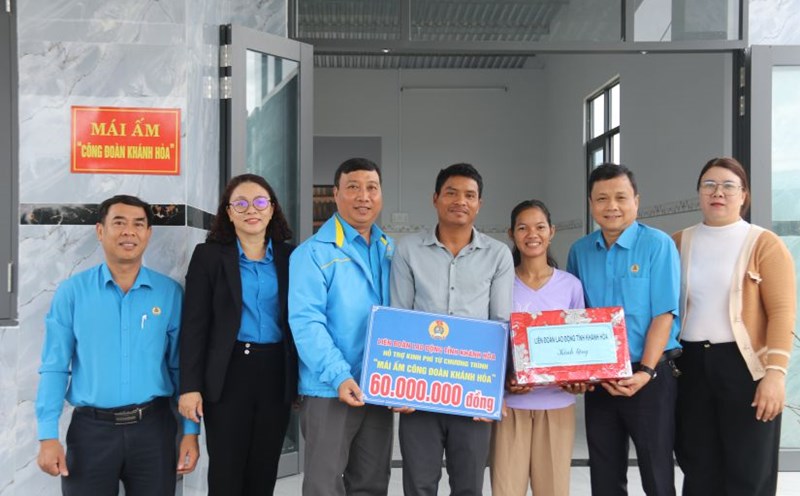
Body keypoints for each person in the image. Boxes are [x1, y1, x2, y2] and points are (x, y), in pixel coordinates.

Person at [35, 195, 199, 496]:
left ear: (148, 234)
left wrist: (190, 432)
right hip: (90, 433)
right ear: (100, 231)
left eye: (139, 224)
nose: (129, 232)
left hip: (154, 429)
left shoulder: (169, 294)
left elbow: (180, 367)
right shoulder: (72, 293)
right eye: (119, 223)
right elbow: (55, 367)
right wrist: (47, 436)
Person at [672, 157, 796, 496]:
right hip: (690, 365)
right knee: (698, 465)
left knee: (749, 468)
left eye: (729, 186)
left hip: (745, 367)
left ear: (744, 195)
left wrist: (775, 375)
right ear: (699, 193)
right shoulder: (679, 242)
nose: (718, 193)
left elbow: (782, 312)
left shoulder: (764, 243)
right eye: (709, 185)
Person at [391, 163, 514, 496]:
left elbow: (501, 323)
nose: (460, 201)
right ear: (435, 199)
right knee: (418, 485)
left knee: (469, 486)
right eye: (451, 193)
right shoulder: (407, 250)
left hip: (473, 392)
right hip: (419, 391)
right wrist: (398, 388)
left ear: (479, 204)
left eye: (470, 195)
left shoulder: (498, 255)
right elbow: (400, 317)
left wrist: (494, 392)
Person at [565, 163, 681, 496]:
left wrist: (645, 370)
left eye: (620, 197)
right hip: (602, 378)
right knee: (604, 471)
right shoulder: (580, 251)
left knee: (656, 472)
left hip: (650, 374)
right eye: (602, 198)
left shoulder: (657, 245)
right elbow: (577, 316)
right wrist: (584, 372)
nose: (611, 206)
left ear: (636, 201)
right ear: (591, 204)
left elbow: (664, 314)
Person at [178, 174, 297, 495]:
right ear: (228, 213)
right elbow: (194, 326)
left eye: (260, 202)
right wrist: (190, 387)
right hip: (228, 373)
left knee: (263, 468)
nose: (251, 210)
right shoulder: (209, 257)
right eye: (240, 204)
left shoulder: (291, 257)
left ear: (272, 209)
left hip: (276, 372)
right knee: (226, 470)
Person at [289, 158, 394, 496]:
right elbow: (307, 323)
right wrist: (339, 375)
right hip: (329, 389)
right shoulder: (313, 254)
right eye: (353, 187)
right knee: (324, 484)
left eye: (372, 188)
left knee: (373, 483)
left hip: (376, 387)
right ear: (335, 194)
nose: (363, 196)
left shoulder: (389, 250)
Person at [490, 199, 584, 496]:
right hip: (509, 408)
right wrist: (503, 380)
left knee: (554, 490)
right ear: (511, 234)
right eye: (523, 227)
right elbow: (490, 341)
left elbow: (580, 347)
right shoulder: (499, 284)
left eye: (540, 227)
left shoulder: (570, 285)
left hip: (556, 406)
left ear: (552, 231)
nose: (532, 234)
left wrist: (578, 380)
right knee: (506, 490)